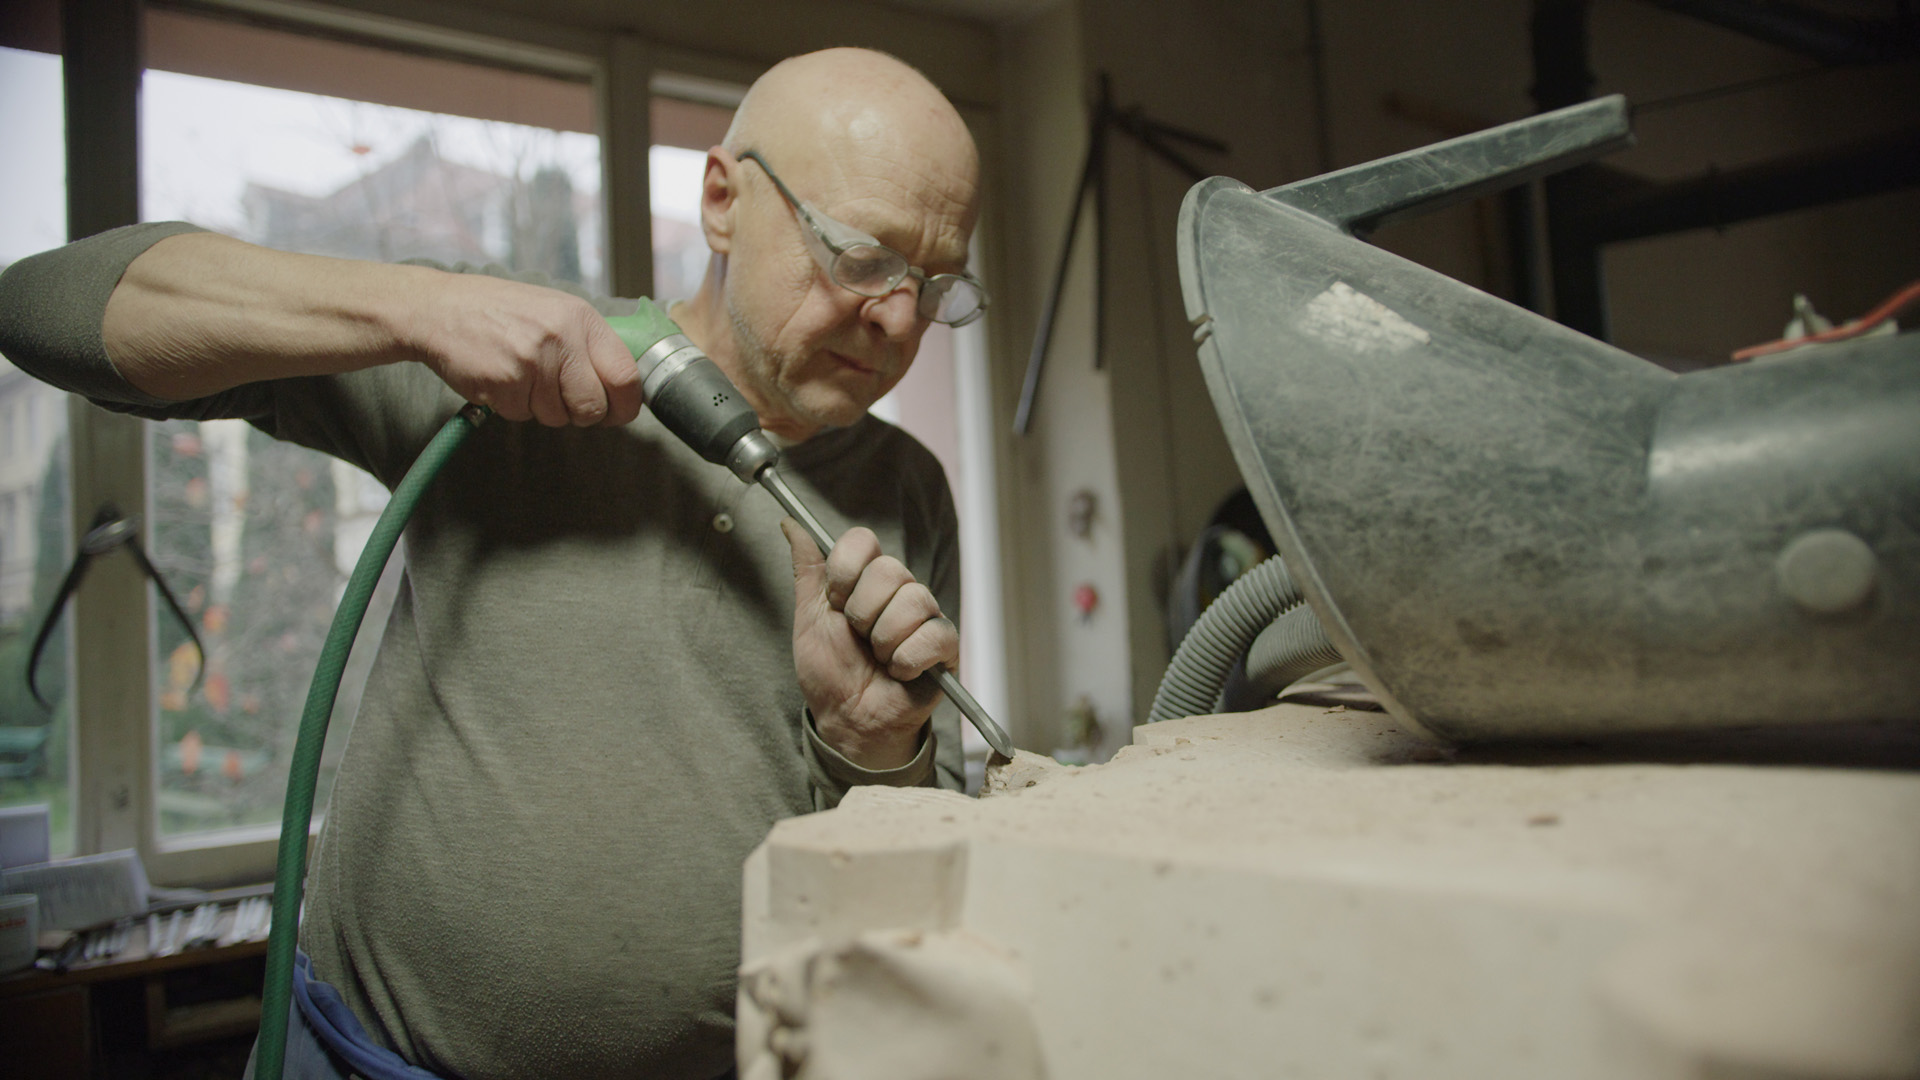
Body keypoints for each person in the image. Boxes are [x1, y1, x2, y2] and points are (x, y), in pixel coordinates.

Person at [0, 47, 984, 1080]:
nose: (899, 319)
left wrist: (871, 748)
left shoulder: (907, 489)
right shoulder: (514, 366)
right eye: (862, 257)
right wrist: (415, 309)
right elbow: (45, 308)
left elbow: (925, 886)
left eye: (937, 286)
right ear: (723, 201)